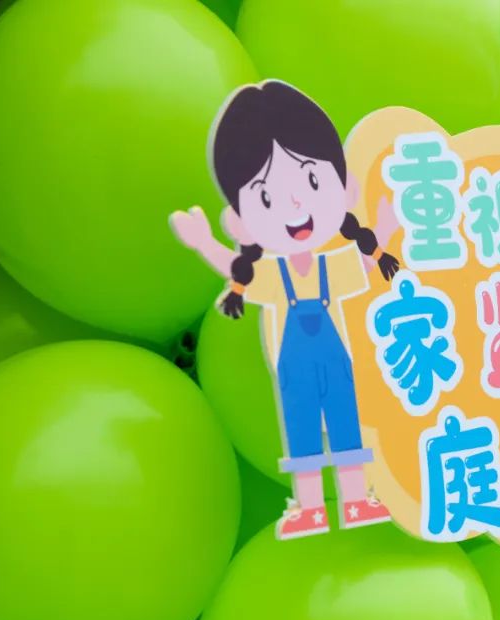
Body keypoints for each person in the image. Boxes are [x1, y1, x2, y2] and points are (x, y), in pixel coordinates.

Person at [170, 81, 400, 540]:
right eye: (266, 198)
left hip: (336, 358)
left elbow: (362, 265)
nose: (295, 205)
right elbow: (238, 272)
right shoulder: (273, 275)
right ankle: (311, 507)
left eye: (312, 182)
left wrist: (386, 231)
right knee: (303, 433)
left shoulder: (330, 265)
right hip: (292, 366)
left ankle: (355, 498)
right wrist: (204, 243)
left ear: (344, 189)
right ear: (239, 221)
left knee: (346, 425)